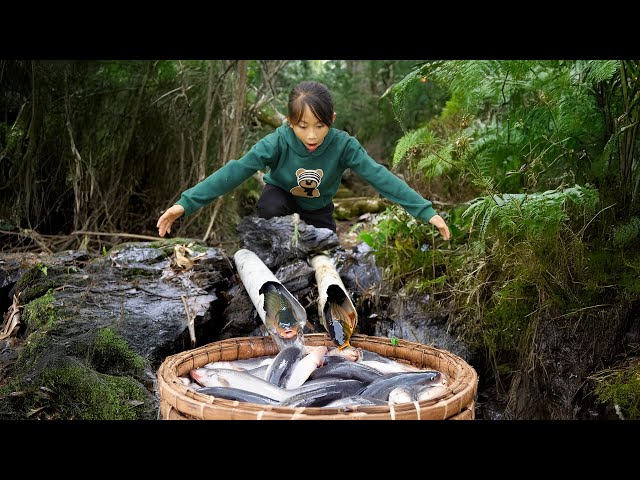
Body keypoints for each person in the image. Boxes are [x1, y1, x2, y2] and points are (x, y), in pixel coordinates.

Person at [156, 80, 451, 241]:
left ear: (331, 120)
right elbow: (236, 170)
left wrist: (425, 211)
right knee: (268, 206)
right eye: (302, 126)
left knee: (326, 245)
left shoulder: (344, 145)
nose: (311, 135)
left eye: (320, 126)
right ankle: (275, 253)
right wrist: (186, 203)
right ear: (290, 121)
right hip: (280, 200)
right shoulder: (277, 141)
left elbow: (380, 177)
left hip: (319, 207)